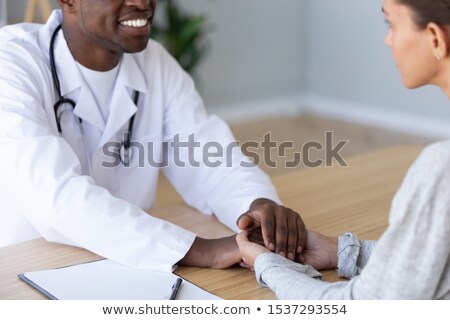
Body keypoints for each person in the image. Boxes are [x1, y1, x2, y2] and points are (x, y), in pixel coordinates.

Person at [0, 0, 307, 272]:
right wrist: (203, 250)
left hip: (131, 268)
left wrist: (258, 208)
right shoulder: (12, 63)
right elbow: (57, 199)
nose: (142, 2)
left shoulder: (155, 64)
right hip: (29, 267)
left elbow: (207, 156)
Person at [237, 0, 450, 299]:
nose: (387, 39)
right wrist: (343, 251)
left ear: (436, 38)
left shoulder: (440, 169)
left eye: (391, 24)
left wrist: (268, 265)